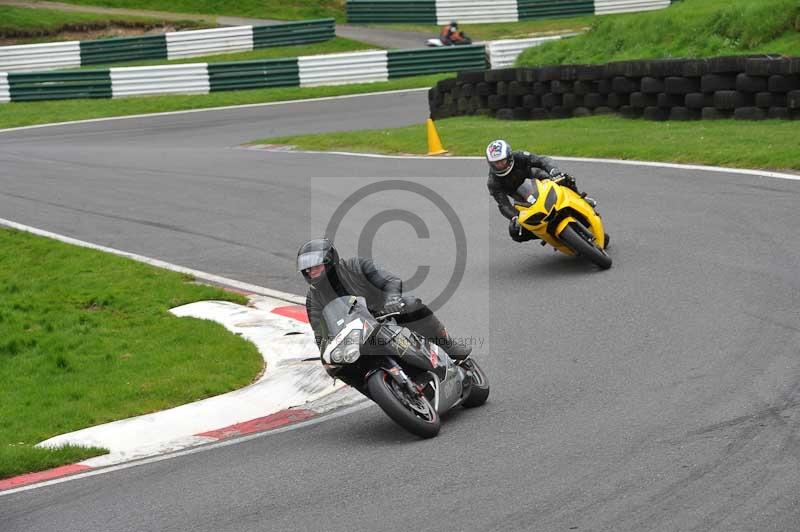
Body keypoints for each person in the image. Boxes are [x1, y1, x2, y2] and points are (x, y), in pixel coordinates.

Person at [297, 238, 472, 370]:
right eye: (308, 270)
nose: (312, 272)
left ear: (329, 261)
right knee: (339, 366)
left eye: (316, 267)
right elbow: (319, 330)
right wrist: (324, 349)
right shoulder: (313, 298)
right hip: (354, 338)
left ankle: (447, 343)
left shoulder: (356, 266)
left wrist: (392, 300)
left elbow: (390, 281)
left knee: (411, 305)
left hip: (385, 316)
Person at [485, 139, 597, 243]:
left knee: (565, 179)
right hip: (523, 200)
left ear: (509, 157)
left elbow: (541, 160)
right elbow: (503, 204)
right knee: (515, 232)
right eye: (496, 163)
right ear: (490, 163)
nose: (500, 165)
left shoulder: (519, 156)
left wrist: (553, 171)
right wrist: (515, 217)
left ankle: (581, 199)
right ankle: (546, 235)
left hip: (538, 179)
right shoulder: (493, 182)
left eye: (502, 161)